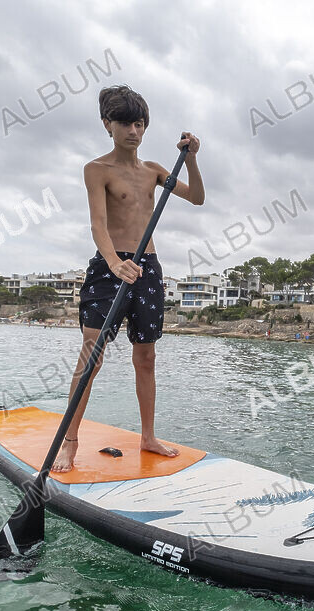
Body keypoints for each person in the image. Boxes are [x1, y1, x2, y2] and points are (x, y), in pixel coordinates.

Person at [52, 85, 204, 472]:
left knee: (147, 357)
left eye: (139, 123)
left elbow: (198, 198)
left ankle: (148, 437)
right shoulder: (96, 170)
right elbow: (97, 224)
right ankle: (69, 441)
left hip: (148, 267)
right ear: (108, 125)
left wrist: (191, 160)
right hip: (109, 267)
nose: (133, 131)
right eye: (124, 123)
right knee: (91, 355)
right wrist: (113, 262)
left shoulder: (154, 171)